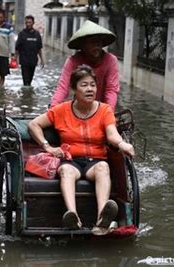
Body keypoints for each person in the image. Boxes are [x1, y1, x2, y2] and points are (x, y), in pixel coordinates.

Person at [29, 65, 135, 233]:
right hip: (71, 160)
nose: (89, 89)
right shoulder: (62, 110)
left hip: (96, 161)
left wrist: (122, 144)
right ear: (74, 89)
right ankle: (72, 215)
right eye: (84, 85)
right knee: (66, 171)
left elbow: (112, 135)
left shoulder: (105, 110)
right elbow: (34, 124)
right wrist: (47, 146)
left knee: (103, 167)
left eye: (92, 85)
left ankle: (102, 219)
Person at [51, 20, 120, 110]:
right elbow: (63, 88)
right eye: (92, 42)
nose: (97, 45)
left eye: (99, 41)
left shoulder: (110, 60)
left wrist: (109, 112)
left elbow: (111, 90)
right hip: (80, 108)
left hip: (102, 109)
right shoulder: (73, 61)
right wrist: (53, 108)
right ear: (83, 45)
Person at [15, 15, 44, 86]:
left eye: (30, 22)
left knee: (30, 80)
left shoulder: (37, 34)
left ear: (33, 23)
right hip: (24, 61)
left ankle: (28, 94)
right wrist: (15, 59)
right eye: (26, 22)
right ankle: (26, 95)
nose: (28, 24)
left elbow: (39, 48)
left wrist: (42, 60)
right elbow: (17, 48)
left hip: (33, 61)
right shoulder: (22, 34)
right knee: (25, 81)